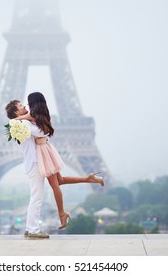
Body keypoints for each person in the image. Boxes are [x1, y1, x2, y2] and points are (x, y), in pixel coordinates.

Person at [15, 92, 104, 230]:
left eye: (27, 102)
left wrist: (17, 117)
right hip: (47, 149)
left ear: (33, 103)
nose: (25, 105)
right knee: (60, 181)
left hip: (43, 152)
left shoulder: (31, 116)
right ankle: (89, 178)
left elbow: (26, 119)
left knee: (55, 185)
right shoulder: (41, 115)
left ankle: (62, 213)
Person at [5, 100, 49, 239]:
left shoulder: (18, 124)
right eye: (21, 106)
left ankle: (30, 228)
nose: (24, 106)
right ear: (16, 112)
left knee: (35, 197)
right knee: (37, 198)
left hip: (31, 163)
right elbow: (44, 132)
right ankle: (33, 230)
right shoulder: (24, 123)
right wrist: (27, 117)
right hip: (34, 163)